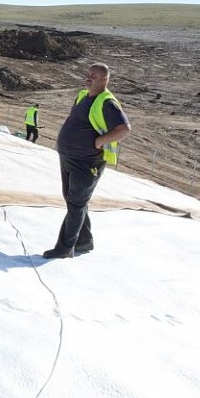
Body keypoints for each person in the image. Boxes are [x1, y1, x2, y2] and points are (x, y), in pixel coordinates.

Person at [43, 63, 131, 259]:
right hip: (69, 157)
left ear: (105, 80)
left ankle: (65, 248)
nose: (89, 77)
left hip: (87, 162)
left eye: (95, 75)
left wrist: (100, 141)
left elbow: (124, 129)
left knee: (76, 202)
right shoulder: (83, 96)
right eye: (89, 73)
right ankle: (84, 241)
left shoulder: (107, 103)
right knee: (73, 199)